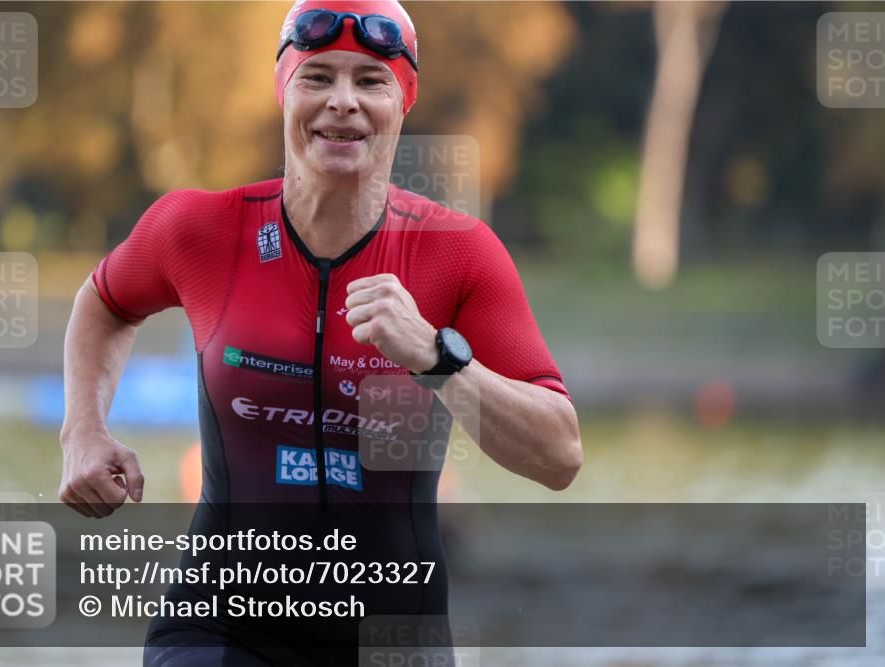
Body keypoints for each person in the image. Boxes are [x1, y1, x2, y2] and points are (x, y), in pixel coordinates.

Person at [59, 1, 582, 664]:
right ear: (283, 89)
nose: (343, 102)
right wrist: (83, 430)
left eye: (370, 81)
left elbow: (559, 455)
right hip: (221, 629)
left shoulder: (458, 253)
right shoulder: (201, 230)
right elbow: (103, 302)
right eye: (318, 77)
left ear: (404, 101)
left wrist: (436, 357)